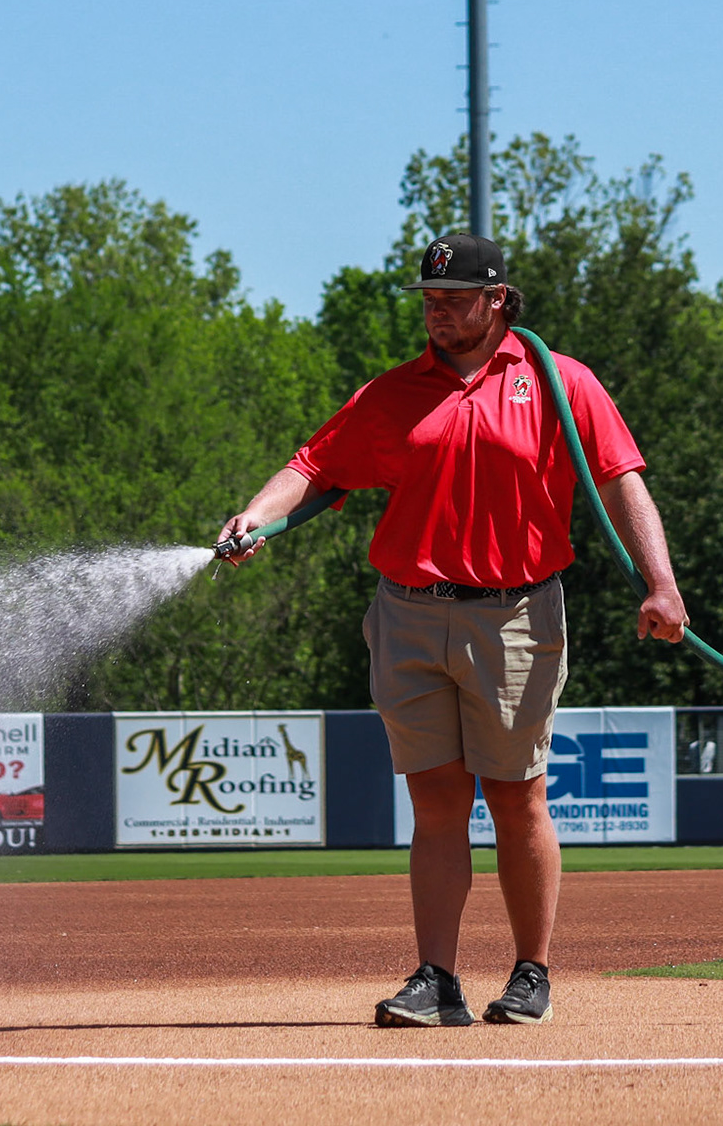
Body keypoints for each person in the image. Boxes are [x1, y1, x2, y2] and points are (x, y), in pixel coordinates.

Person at [218, 231, 688, 1027]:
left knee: (516, 796)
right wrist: (255, 516)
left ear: (498, 300)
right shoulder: (393, 392)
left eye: (454, 299)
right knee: (435, 802)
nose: (436, 313)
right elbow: (314, 466)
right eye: (429, 300)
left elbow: (621, 481)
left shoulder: (558, 381)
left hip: (514, 614)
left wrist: (661, 583)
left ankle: (530, 972)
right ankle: (436, 980)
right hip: (407, 612)